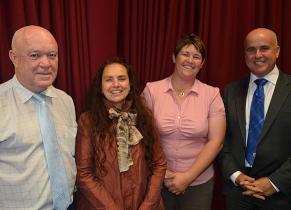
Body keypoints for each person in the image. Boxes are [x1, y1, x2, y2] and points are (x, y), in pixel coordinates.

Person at [142, 34, 226, 210]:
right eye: (185, 54)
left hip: (199, 184)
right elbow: (142, 137)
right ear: (174, 57)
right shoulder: (152, 90)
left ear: (202, 63)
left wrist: (187, 177)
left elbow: (216, 141)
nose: (190, 60)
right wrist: (162, 173)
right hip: (157, 180)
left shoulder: (212, 95)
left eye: (196, 57)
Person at [0, 25, 77, 210]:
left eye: (52, 55)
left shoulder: (65, 101)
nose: (46, 63)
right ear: (14, 58)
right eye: (34, 55)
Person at [75, 57, 166, 210]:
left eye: (121, 78)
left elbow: (159, 164)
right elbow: (83, 174)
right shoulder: (88, 121)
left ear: (130, 84)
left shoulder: (144, 117)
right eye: (109, 79)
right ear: (100, 86)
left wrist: (148, 205)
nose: (116, 84)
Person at [218, 28, 291, 209]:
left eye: (264, 48)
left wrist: (275, 182)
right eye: (251, 49)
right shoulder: (230, 92)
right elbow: (221, 141)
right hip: (238, 193)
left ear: (277, 51)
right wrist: (235, 175)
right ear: (245, 55)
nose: (257, 55)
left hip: (281, 194)